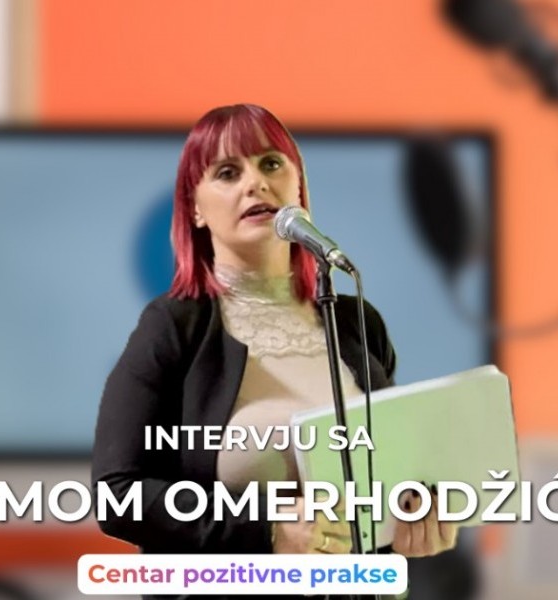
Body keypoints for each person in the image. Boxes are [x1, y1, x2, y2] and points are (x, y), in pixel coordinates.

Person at [91, 104, 457, 599]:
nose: (255, 183)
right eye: (227, 172)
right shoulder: (173, 327)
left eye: (271, 164)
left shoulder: (356, 322)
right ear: (195, 209)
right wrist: (266, 531)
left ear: (298, 188)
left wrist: (413, 514)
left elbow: (387, 477)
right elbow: (117, 494)